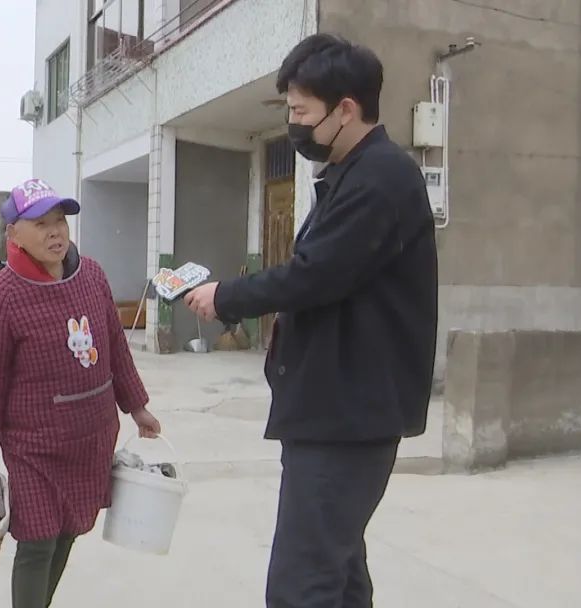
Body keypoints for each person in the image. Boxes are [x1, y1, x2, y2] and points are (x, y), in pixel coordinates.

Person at [184, 34, 438, 608]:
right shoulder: (351, 174)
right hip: (332, 411)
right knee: (339, 574)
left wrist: (227, 297)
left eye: (301, 112)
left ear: (345, 109)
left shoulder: (381, 179)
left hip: (347, 419)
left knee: (302, 585)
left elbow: (316, 275)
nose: (293, 125)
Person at [0, 178, 162, 608]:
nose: (55, 232)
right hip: (35, 447)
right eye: (41, 224)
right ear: (14, 233)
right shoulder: (1, 297)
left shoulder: (93, 276)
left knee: (68, 530)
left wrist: (137, 407)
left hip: (91, 437)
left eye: (60, 221)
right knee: (37, 539)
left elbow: (115, 347)